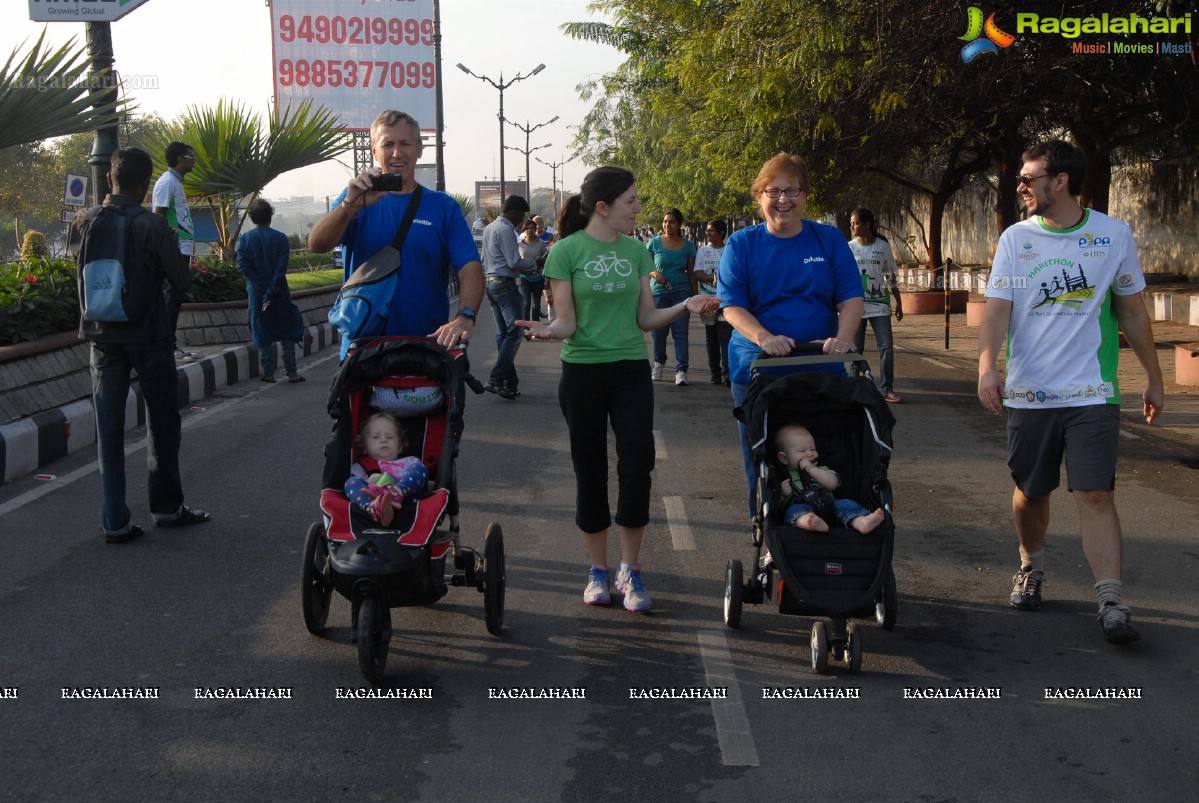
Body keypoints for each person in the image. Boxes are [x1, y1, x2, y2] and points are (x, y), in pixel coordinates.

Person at [978, 139, 1164, 646]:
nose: (1021, 185)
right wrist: (986, 367)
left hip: (1092, 391)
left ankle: (1110, 599)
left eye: (1028, 177)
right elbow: (998, 307)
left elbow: (1131, 309)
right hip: (1030, 392)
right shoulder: (1017, 239)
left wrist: (1153, 375)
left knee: (1096, 492)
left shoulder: (1112, 235)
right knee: (1031, 492)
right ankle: (1031, 565)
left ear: (1059, 181)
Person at [516, 167, 720, 613]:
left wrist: (686, 303)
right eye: (631, 201)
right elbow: (567, 322)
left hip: (630, 370)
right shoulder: (565, 252)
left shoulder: (635, 251)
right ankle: (597, 570)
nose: (639, 209)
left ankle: (630, 568)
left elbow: (645, 319)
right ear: (603, 207)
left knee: (636, 466)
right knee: (590, 471)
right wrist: (549, 331)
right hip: (583, 373)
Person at [69, 147, 211, 543]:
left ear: (110, 179)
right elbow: (180, 281)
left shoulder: (84, 221)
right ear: (146, 185)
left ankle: (114, 520)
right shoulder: (152, 226)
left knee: (109, 427)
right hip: (148, 335)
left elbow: (78, 270)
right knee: (162, 421)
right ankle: (166, 507)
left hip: (100, 335)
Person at [717, 152, 864, 516]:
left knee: (824, 451)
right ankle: (766, 527)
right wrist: (764, 337)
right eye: (774, 191)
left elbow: (852, 298)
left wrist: (845, 337)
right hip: (759, 368)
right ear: (759, 196)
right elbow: (732, 306)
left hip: (819, 367)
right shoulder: (741, 245)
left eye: (792, 190)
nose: (784, 199)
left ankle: (828, 514)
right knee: (763, 459)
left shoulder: (828, 240)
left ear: (805, 195)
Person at [308, 109, 483, 354]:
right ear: (374, 151)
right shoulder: (354, 200)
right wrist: (349, 207)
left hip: (425, 348)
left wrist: (465, 316)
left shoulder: (443, 207)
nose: (396, 153)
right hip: (363, 351)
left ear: (420, 149)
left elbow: (470, 266)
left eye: (405, 144)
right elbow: (317, 244)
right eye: (387, 144)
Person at [236, 198, 305, 384]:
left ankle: (268, 373)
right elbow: (281, 268)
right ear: (271, 216)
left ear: (252, 218)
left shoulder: (245, 239)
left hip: (257, 294)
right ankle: (292, 372)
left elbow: (242, 266)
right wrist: (272, 286)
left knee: (261, 328)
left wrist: (260, 285)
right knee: (287, 328)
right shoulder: (281, 238)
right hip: (279, 292)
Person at [775, 424, 885, 534]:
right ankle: (808, 522)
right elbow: (776, 506)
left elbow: (833, 484)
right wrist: (782, 494)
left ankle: (861, 521)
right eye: (802, 451)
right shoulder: (783, 477)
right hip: (802, 507)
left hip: (830, 506)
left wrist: (812, 470)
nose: (810, 453)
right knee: (793, 510)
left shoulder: (821, 469)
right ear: (784, 458)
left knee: (845, 504)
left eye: (813, 449)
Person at [481, 195, 537, 399]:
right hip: (505, 284)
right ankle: (496, 379)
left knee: (504, 333)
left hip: (491, 282)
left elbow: (484, 259)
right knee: (515, 331)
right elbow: (514, 262)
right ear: (513, 212)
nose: (521, 220)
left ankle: (509, 382)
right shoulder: (505, 230)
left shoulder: (489, 229)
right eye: (521, 215)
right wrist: (533, 264)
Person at [849, 208, 904, 403]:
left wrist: (899, 302)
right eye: (851, 223)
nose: (852, 227)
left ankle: (887, 389)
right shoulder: (849, 248)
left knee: (886, 347)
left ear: (867, 224)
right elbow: (842, 278)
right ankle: (853, 389)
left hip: (879, 305)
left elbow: (890, 275)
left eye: (855, 223)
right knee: (856, 349)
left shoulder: (882, 246)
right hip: (856, 307)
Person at [343, 412, 429, 528]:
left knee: (419, 469)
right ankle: (373, 507)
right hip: (373, 502)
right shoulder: (360, 468)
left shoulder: (408, 462)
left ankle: (396, 493)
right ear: (364, 447)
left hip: (405, 504)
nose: (383, 440)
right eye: (376, 437)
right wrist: (368, 481)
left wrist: (399, 488)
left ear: (400, 447)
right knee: (351, 483)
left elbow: (420, 478)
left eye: (390, 437)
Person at [152, 141, 196, 361]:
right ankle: (168, 346)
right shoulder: (167, 182)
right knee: (172, 296)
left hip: (182, 246)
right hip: (175, 247)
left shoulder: (175, 182)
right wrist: (170, 242)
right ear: (180, 159)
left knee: (176, 296)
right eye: (191, 155)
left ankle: (170, 344)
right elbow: (158, 216)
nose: (194, 159)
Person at [646, 208, 697, 385]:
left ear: (679, 224)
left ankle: (681, 370)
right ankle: (659, 364)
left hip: (681, 293)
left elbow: (691, 273)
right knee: (658, 333)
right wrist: (655, 274)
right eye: (665, 221)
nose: (668, 225)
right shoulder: (654, 243)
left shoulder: (689, 246)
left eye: (672, 222)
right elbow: (644, 266)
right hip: (659, 294)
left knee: (680, 332)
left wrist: (695, 297)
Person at [693, 218, 732, 385]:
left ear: (721, 233)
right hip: (707, 301)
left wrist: (721, 280)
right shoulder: (702, 251)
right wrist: (713, 278)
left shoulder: (729, 250)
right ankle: (714, 373)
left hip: (725, 300)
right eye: (707, 231)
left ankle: (727, 373)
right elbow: (698, 274)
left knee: (725, 337)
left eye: (711, 231)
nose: (708, 233)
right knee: (711, 338)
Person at [518, 219, 549, 325]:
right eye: (527, 228)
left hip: (538, 278)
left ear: (535, 229)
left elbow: (547, 259)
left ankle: (536, 326)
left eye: (532, 228)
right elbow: (516, 261)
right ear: (524, 230)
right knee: (526, 304)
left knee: (536, 305)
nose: (529, 230)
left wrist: (540, 261)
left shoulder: (540, 244)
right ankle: (526, 326)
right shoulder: (519, 244)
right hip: (524, 278)